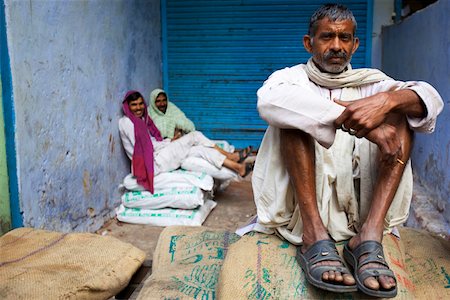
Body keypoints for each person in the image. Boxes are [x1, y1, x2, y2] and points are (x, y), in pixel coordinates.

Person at [252, 3, 443, 298]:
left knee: (402, 111)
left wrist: (387, 103)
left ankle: (369, 236)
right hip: (302, 212)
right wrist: (362, 124)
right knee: (293, 113)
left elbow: (429, 99)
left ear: (355, 45)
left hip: (359, 208)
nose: (336, 46)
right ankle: (314, 234)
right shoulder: (291, 79)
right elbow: (269, 102)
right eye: (327, 37)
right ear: (309, 43)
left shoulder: (370, 82)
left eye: (344, 39)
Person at [119, 90, 253, 193]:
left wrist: (170, 141)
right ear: (127, 107)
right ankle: (230, 156)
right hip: (153, 164)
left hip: (158, 156)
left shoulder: (141, 121)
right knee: (194, 136)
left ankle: (237, 167)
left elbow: (152, 142)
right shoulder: (128, 123)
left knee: (199, 150)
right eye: (134, 105)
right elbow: (145, 148)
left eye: (140, 103)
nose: (138, 108)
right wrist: (170, 142)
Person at [148, 88, 253, 161]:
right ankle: (230, 156)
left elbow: (190, 126)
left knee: (203, 148)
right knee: (198, 140)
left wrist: (176, 125)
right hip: (165, 147)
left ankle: (231, 159)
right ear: (153, 102)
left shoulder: (171, 108)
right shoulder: (149, 115)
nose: (162, 104)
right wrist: (170, 139)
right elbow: (153, 140)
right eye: (158, 101)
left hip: (180, 141)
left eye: (164, 100)